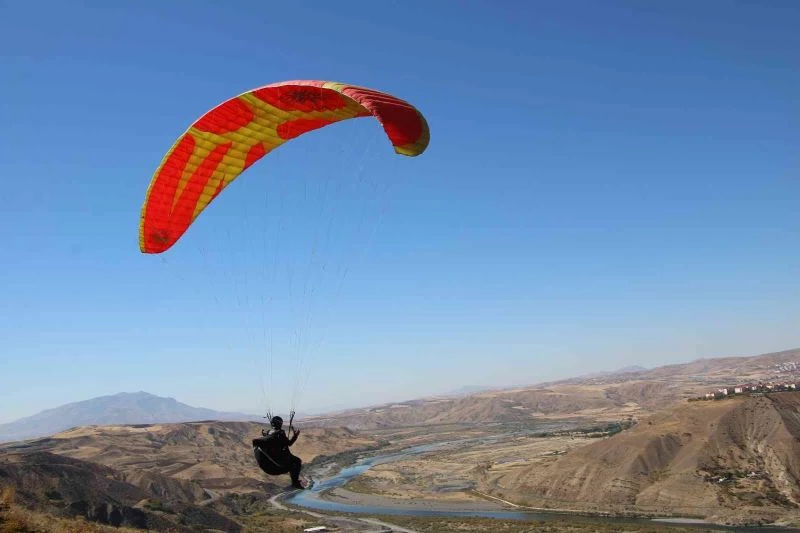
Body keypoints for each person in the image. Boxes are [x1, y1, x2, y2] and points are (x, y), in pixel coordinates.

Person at [252, 415, 304, 489]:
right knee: (297, 461)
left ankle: (295, 482)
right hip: (279, 466)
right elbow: (289, 443)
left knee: (292, 461)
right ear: (280, 424)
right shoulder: (279, 434)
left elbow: (270, 439)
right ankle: (295, 483)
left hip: (268, 467)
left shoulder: (269, 433)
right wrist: (295, 436)